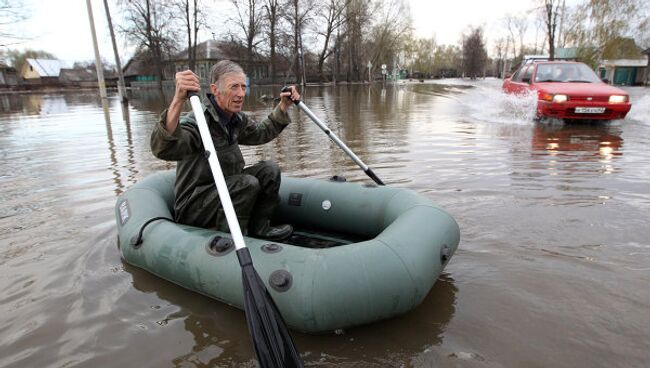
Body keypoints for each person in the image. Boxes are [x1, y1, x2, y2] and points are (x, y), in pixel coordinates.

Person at [150, 60, 300, 240]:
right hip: (195, 205)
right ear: (215, 90)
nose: (241, 94)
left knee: (270, 170)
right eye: (234, 87)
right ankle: (227, 240)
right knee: (246, 183)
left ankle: (260, 228)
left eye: (243, 87)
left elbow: (260, 133)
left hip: (227, 190)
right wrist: (178, 100)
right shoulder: (198, 121)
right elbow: (165, 149)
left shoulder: (236, 119)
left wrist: (283, 106)